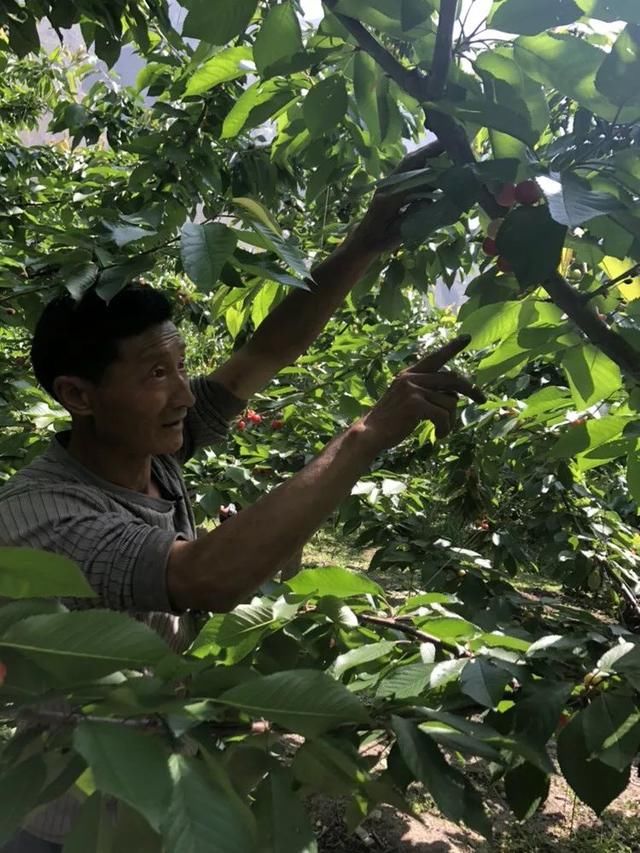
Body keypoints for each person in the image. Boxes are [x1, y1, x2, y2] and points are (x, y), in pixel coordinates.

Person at [0, 144, 485, 851]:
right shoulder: (44, 516)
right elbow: (202, 577)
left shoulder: (151, 447)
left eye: (181, 365)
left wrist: (362, 244)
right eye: (154, 372)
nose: (178, 392)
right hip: (64, 819)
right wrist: (367, 433)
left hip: (160, 786)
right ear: (78, 395)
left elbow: (263, 355)